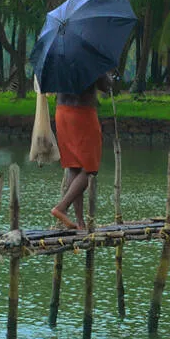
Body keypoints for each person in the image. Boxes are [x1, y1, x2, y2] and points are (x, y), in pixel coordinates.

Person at [50, 73, 112, 229]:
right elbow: (105, 86)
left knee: (74, 166)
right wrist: (108, 74)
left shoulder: (61, 58)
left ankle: (80, 222)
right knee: (91, 168)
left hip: (62, 111)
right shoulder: (90, 59)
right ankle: (61, 207)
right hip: (82, 114)